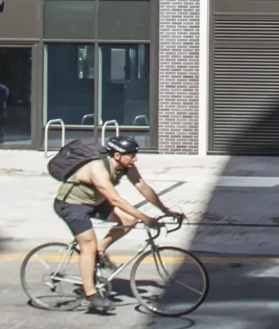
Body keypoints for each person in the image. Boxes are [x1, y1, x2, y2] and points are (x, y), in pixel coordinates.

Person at [54, 134, 184, 315]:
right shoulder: (97, 168)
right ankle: (90, 294)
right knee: (88, 245)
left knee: (129, 220)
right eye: (131, 155)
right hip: (71, 206)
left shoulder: (125, 166)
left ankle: (99, 251)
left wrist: (165, 210)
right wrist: (145, 218)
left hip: (94, 202)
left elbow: (142, 186)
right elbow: (115, 200)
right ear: (117, 155)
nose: (135, 158)